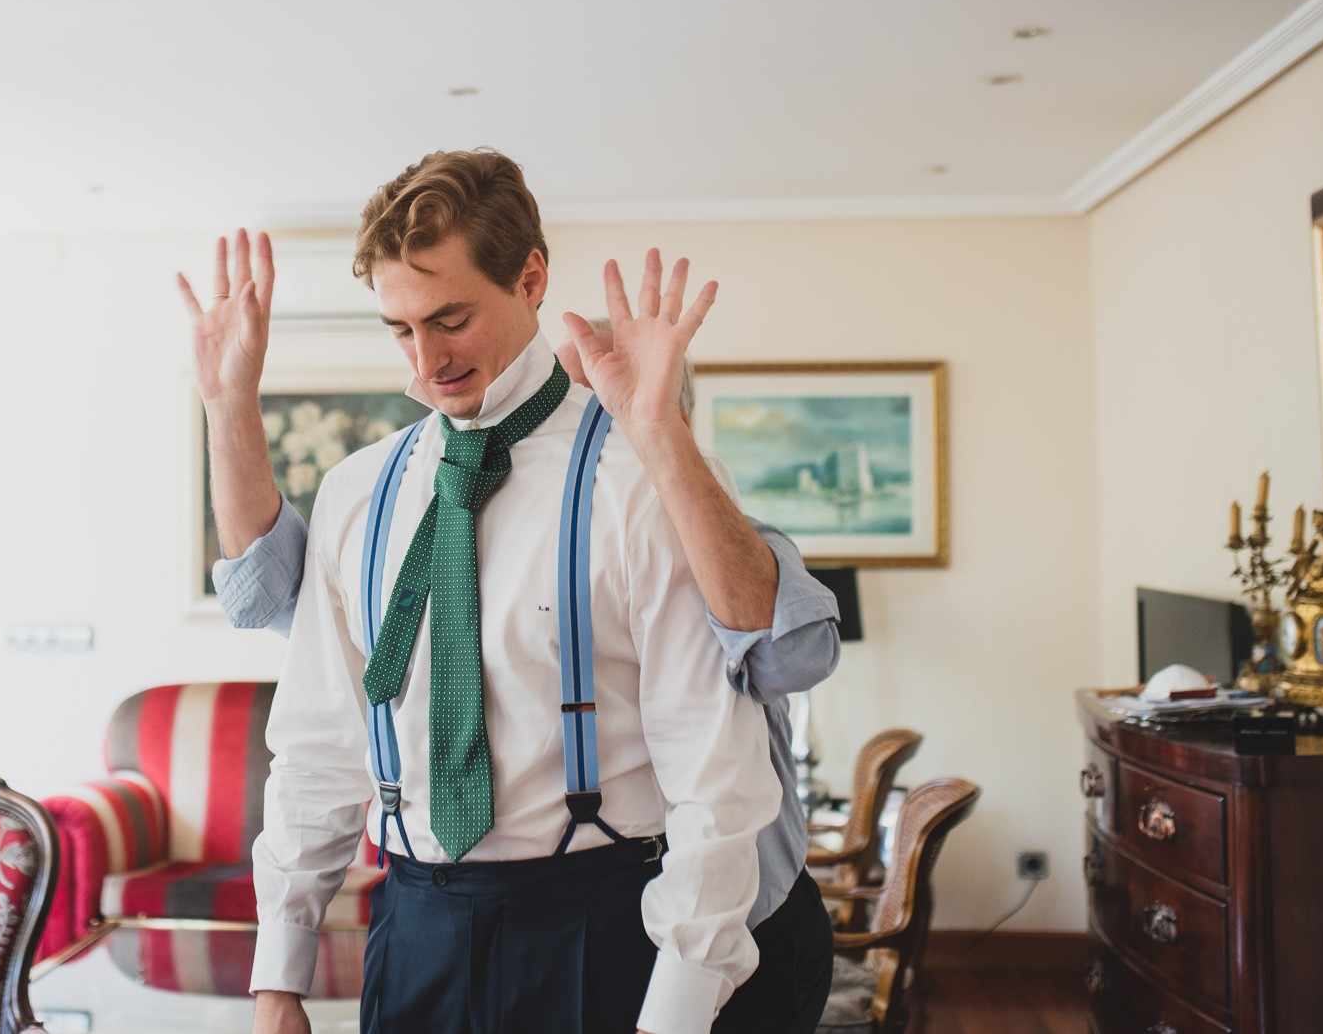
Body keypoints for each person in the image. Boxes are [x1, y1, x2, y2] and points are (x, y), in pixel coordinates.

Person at [177, 150, 835, 1034]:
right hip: (413, 929)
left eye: (450, 318)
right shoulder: (358, 492)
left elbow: (716, 771)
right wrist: (277, 977)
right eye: (399, 329)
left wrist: (676, 1010)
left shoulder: (644, 475)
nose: (425, 361)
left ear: (531, 279)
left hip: (601, 925)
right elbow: (319, 746)